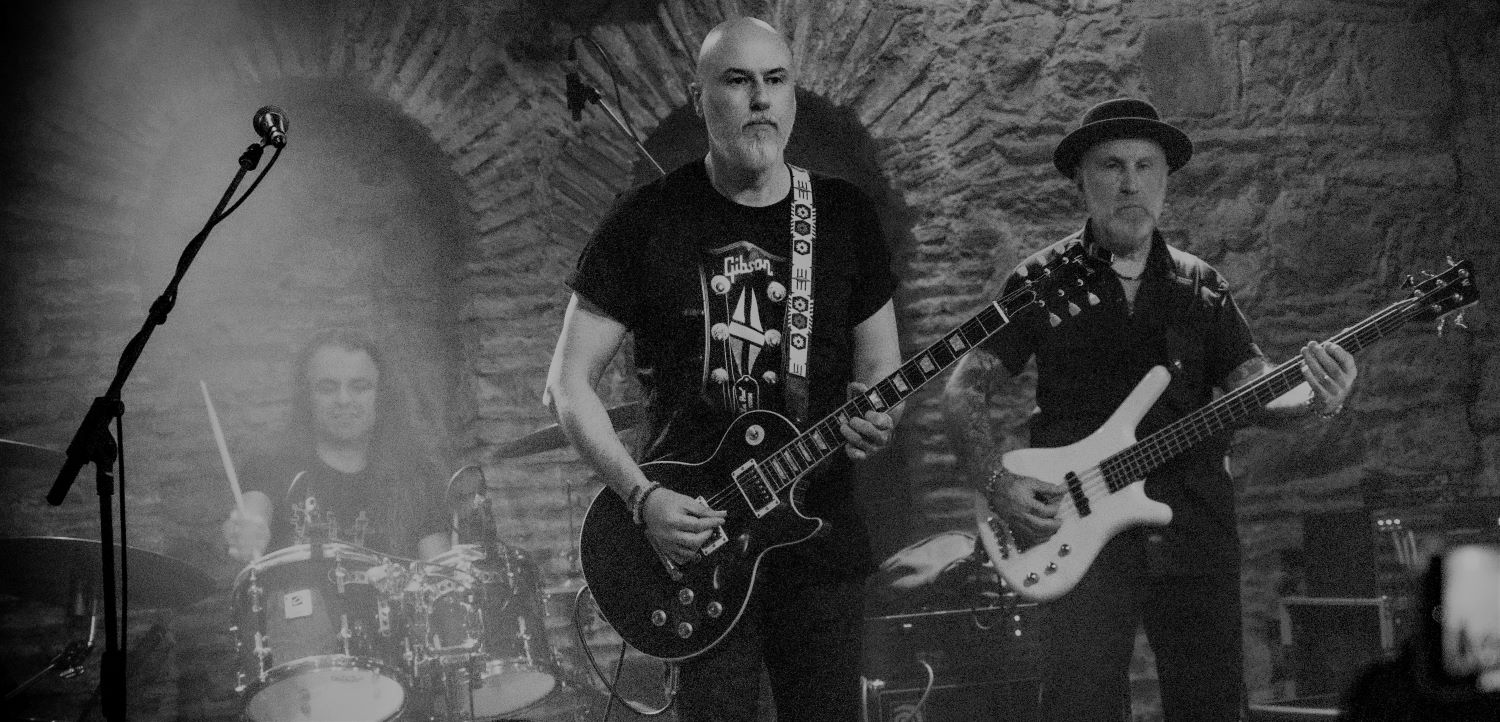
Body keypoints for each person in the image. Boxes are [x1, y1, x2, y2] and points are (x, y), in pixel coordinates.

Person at [941, 98, 1359, 720]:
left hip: (1194, 529)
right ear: (1082, 180)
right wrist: (996, 483)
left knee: (1211, 707)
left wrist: (1319, 398)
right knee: (1080, 708)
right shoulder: (1040, 280)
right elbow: (964, 389)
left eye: (1146, 166)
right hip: (1078, 533)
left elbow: (1259, 390)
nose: (1130, 182)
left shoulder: (1201, 286)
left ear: (1166, 180)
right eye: (1112, 165)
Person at [543, 17, 902, 720]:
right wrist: (642, 499)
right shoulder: (645, 220)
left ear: (793, 94)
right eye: (738, 81)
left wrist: (882, 417)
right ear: (698, 97)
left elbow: (882, 372)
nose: (760, 99)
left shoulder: (842, 215)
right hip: (697, 544)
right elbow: (565, 384)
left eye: (776, 81)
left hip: (819, 541)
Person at [222, 329, 449, 562]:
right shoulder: (270, 464)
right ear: (307, 396)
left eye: (359, 387)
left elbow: (440, 573)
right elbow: (252, 513)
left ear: (381, 396)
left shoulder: (418, 476)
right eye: (328, 388)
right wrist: (245, 531)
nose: (343, 400)